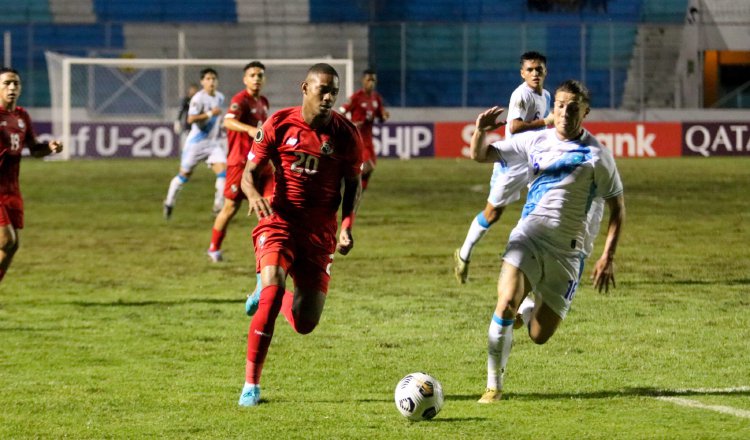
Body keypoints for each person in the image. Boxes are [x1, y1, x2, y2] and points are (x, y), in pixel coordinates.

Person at [469, 80, 625, 403]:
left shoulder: (598, 157)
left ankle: (530, 307)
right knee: (505, 302)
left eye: (573, 107)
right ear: (553, 109)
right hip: (529, 236)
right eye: (560, 105)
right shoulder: (535, 141)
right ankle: (493, 386)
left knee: (539, 335)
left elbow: (618, 209)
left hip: (568, 253)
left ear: (585, 111)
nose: (565, 112)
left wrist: (607, 256)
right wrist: (479, 131)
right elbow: (481, 155)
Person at [237, 63, 363, 407]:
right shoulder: (277, 124)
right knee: (274, 292)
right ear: (304, 88)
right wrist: (252, 195)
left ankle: (268, 292)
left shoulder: (346, 135)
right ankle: (251, 385)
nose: (328, 97)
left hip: (320, 232)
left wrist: (347, 227)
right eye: (322, 89)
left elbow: (353, 186)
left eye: (333, 92)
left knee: (306, 323)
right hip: (279, 221)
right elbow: (248, 175)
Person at [454, 51, 553, 284]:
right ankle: (464, 253)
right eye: (530, 69)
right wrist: (546, 122)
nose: (535, 73)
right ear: (522, 73)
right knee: (493, 213)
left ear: (545, 71)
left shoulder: (546, 95)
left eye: (539, 69)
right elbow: (516, 126)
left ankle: (529, 259)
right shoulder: (521, 95)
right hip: (513, 162)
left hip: (535, 159)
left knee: (546, 203)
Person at [0, 67, 63, 284]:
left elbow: (35, 149)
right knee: (6, 239)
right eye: (7, 83)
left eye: (16, 83)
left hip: (12, 190)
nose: (12, 88)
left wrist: (50, 148)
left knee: (13, 245)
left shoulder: (21, 116)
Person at [207, 61, 270, 263]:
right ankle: (214, 248)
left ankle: (268, 250)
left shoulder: (263, 102)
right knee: (230, 208)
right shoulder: (240, 100)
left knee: (270, 205)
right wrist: (249, 129)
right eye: (252, 75)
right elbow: (227, 121)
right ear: (245, 79)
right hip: (240, 163)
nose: (256, 79)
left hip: (260, 163)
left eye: (260, 75)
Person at [163, 68, 226, 219]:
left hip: (212, 144)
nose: (211, 81)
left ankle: (218, 207)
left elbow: (218, 118)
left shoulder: (220, 97)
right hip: (195, 144)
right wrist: (211, 113)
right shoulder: (198, 99)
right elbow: (190, 119)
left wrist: (222, 125)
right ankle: (169, 202)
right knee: (184, 176)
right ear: (202, 82)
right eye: (208, 79)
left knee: (223, 172)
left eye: (214, 79)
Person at [339, 68, 389, 190]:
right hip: (358, 139)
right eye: (368, 80)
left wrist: (384, 116)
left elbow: (380, 116)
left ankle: (360, 190)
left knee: (371, 168)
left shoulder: (376, 98)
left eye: (373, 80)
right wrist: (352, 124)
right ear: (363, 81)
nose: (371, 82)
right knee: (368, 166)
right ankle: (346, 182)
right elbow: (341, 113)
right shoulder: (356, 97)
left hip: (369, 139)